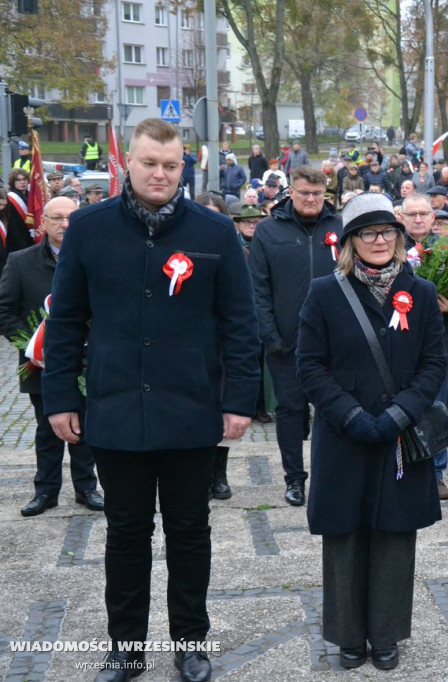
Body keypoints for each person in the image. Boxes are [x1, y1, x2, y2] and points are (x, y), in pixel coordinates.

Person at [42, 118, 259, 682]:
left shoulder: (214, 233)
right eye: (149, 163)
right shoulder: (89, 229)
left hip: (190, 411)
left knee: (190, 532)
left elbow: (240, 324)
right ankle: (126, 649)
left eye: (170, 165)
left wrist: (239, 400)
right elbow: (65, 321)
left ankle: (190, 641)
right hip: (114, 409)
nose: (159, 174)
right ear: (128, 165)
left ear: (183, 166)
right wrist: (60, 397)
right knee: (127, 533)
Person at [296, 192, 444, 672]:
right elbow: (310, 365)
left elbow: (434, 363)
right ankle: (347, 636)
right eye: (367, 232)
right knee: (345, 535)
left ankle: (385, 633)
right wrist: (349, 415)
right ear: (351, 240)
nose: (378, 240)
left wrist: (402, 412)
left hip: (399, 437)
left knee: (394, 535)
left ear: (399, 238)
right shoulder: (324, 291)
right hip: (345, 436)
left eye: (387, 232)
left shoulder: (419, 293)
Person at [0, 196, 103, 517]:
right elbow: (5, 310)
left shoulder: (96, 259)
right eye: (56, 218)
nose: (64, 225)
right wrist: (30, 344)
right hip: (38, 364)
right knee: (48, 430)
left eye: (71, 218)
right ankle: (45, 491)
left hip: (87, 362)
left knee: (84, 428)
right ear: (43, 222)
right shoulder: (21, 261)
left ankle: (86, 487)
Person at [249, 165, 340, 506]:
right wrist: (270, 335)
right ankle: (294, 479)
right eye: (304, 193)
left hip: (335, 341)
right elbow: (258, 287)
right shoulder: (269, 231)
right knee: (290, 411)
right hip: (286, 341)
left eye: (318, 194)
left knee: (332, 410)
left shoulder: (339, 227)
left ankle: (330, 476)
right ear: (291, 192)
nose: (311, 199)